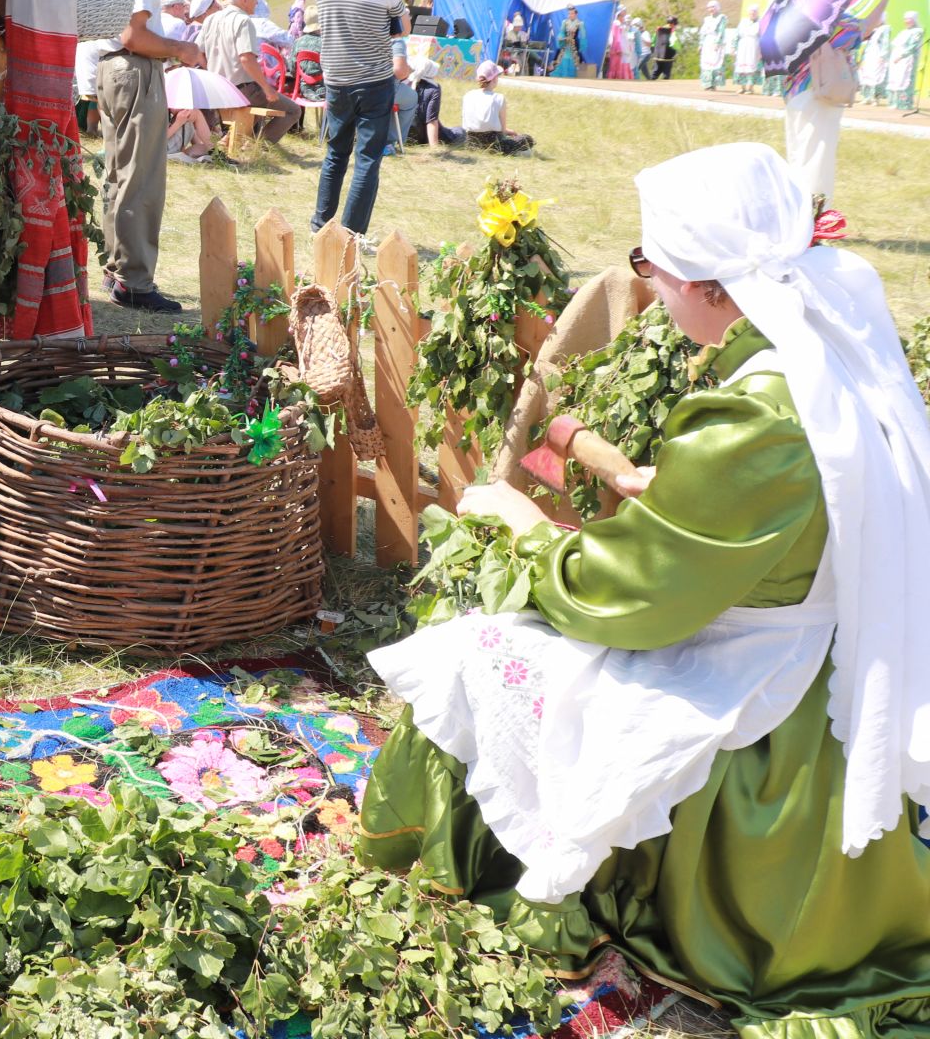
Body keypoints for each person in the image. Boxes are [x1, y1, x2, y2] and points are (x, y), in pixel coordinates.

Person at [358, 141, 930, 1037]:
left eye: (653, 272)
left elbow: (642, 594)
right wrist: (689, 500)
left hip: (772, 694)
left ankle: (483, 868)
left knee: (474, 652)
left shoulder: (754, 415)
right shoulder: (831, 352)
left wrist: (533, 542)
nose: (651, 294)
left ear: (710, 284)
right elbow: (793, 507)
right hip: (836, 647)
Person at [94, 0, 203, 314]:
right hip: (134, 69)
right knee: (141, 178)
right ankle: (134, 281)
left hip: (111, 70)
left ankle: (115, 268)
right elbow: (134, 35)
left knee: (118, 172)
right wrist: (181, 49)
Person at [311, 0, 408, 245]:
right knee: (367, 158)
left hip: (336, 78)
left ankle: (319, 225)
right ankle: (352, 233)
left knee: (336, 153)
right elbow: (402, 26)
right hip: (373, 80)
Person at [783, 0, 891, 203]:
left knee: (798, 155)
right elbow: (864, 29)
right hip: (821, 93)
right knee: (817, 160)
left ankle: (795, 214)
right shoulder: (833, 20)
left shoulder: (795, 18)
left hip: (795, 92)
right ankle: (814, 222)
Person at [199, 0, 300, 144]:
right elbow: (246, 58)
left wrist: (213, 73)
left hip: (217, 89)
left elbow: (198, 52)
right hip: (242, 90)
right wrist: (267, 89)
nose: (257, 1)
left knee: (255, 111)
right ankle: (255, 147)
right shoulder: (244, 21)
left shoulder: (211, 19)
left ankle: (233, 141)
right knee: (293, 110)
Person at [462, 59, 534, 153]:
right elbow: (502, 131)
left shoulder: (468, 95)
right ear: (495, 78)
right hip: (494, 144)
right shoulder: (499, 98)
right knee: (527, 139)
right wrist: (511, 132)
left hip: (470, 142)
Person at [404, 55, 463, 147]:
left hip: (405, 136)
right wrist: (434, 147)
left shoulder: (405, 85)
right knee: (460, 132)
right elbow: (431, 120)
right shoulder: (433, 89)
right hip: (424, 136)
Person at [890, 10, 923, 113]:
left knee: (905, 80)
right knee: (896, 79)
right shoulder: (903, 32)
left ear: (914, 20)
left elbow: (913, 47)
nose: (907, 21)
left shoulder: (918, 31)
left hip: (907, 59)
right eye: (905, 19)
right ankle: (894, 102)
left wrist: (901, 56)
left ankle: (904, 104)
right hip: (897, 60)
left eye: (909, 19)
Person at [858, 16, 891, 105]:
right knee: (867, 75)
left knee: (876, 76)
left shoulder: (885, 28)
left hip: (877, 55)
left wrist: (883, 56)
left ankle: (875, 98)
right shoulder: (874, 30)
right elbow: (868, 43)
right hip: (869, 55)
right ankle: (867, 97)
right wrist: (863, 57)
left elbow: (885, 42)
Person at [733, 4, 765, 95]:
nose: (752, 14)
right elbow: (737, 34)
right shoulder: (743, 22)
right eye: (751, 12)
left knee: (752, 66)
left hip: (754, 45)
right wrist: (733, 46)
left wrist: (763, 49)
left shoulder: (760, 22)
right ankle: (742, 87)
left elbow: (763, 36)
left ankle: (750, 87)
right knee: (741, 66)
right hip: (743, 45)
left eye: (754, 12)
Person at [697, 0, 728, 90]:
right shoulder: (707, 19)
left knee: (715, 61)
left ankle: (713, 83)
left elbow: (721, 31)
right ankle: (707, 83)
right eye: (709, 7)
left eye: (713, 7)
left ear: (717, 7)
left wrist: (717, 43)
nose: (711, 9)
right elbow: (703, 33)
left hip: (715, 41)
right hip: (707, 42)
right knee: (706, 62)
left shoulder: (721, 18)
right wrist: (701, 44)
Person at [552, 6, 584, 78]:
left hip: (574, 44)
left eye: (572, 13)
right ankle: (561, 74)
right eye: (569, 13)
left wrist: (582, 44)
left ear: (576, 14)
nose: (570, 15)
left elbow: (583, 36)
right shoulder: (565, 22)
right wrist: (562, 38)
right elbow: (561, 32)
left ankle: (572, 75)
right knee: (561, 56)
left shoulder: (579, 23)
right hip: (565, 43)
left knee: (575, 58)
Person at [604, 10, 633, 80]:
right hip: (616, 47)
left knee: (616, 64)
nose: (623, 18)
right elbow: (616, 37)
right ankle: (614, 77)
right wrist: (618, 48)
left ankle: (615, 77)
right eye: (622, 16)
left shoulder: (618, 24)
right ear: (619, 16)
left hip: (617, 46)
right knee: (615, 64)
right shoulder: (617, 24)